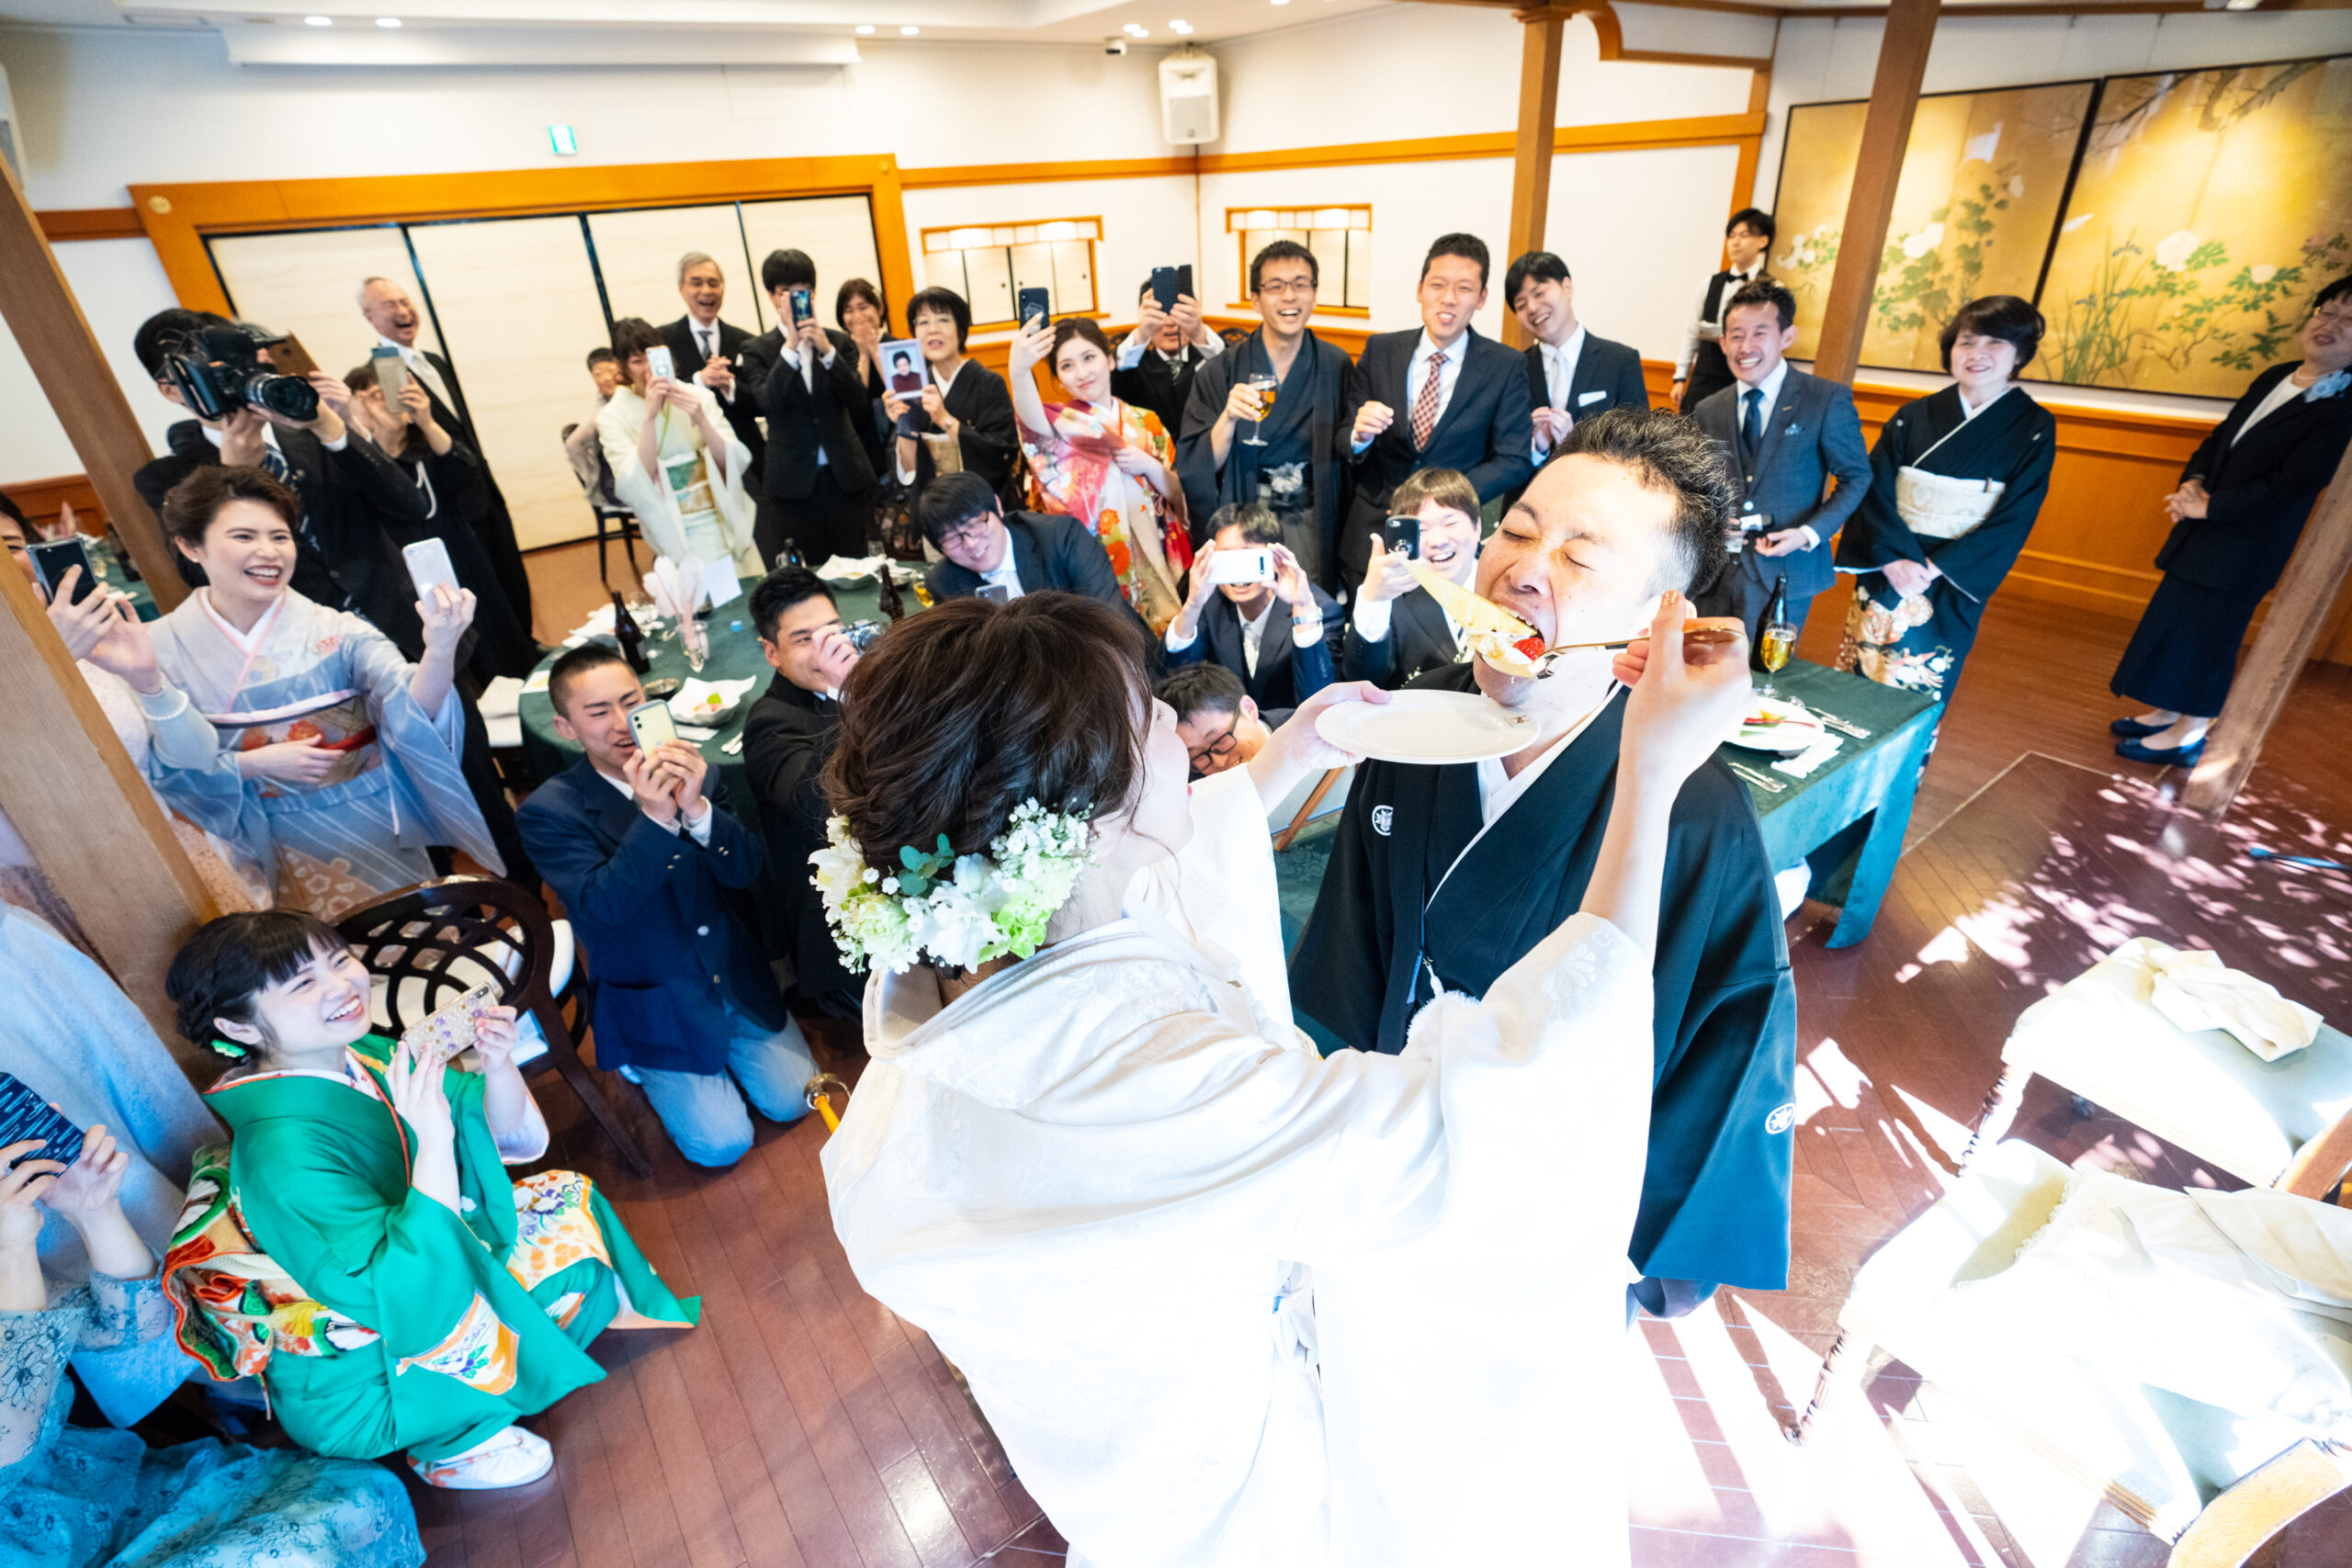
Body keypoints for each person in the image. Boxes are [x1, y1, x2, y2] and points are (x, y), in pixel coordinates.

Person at [818, 580, 1749, 1568]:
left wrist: (1294, 755)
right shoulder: (1146, 1077)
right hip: (1225, 1479)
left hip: (1095, 1456)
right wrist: (1651, 772)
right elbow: (1482, 1126)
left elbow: (1143, 886)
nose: (1179, 726)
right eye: (1150, 718)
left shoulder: (971, 964)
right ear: (1078, 827)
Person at [1291, 409, 1797, 1325]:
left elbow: (1713, 1052)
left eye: (1579, 556)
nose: (1523, 568)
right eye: (1518, 531)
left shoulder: (1691, 809)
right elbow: (1355, 949)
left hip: (1544, 1222)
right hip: (1391, 1161)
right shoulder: (1416, 721)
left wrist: (1618, 1256)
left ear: (1657, 618)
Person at [161, 909, 698, 1489]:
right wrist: (434, 1141)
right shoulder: (280, 1152)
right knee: (557, 1296)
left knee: (571, 1206)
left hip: (425, 1266)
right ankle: (453, 1443)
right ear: (240, 1028)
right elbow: (404, 1292)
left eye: (339, 961)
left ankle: (502, 1377)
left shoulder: (360, 1052)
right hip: (368, 1372)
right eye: (303, 984)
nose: (342, 985)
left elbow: (486, 1128)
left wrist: (498, 1065)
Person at [1, 1118, 427, 1568]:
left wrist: (94, 1211)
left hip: (109, 1499)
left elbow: (127, 1329)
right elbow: (12, 1442)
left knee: (361, 1497)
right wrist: (13, 1249)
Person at [146, 466, 502, 919]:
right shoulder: (159, 648)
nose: (268, 552)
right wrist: (251, 764)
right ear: (190, 546)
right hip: (253, 833)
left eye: (280, 536)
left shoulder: (339, 630)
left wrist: (441, 647)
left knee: (406, 939)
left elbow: (411, 710)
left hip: (368, 818)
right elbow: (165, 772)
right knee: (299, 951)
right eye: (244, 536)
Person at [516, 646, 819, 1167]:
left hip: (731, 975)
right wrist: (655, 819)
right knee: (722, 1145)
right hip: (656, 995)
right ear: (565, 728)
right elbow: (601, 907)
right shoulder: (550, 811)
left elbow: (746, 872)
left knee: (797, 1099)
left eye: (631, 702)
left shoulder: (697, 770)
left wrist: (697, 809)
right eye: (598, 711)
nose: (622, 723)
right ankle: (644, 1062)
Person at [2110, 276, 2352, 767]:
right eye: (2327, 311)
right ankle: (2168, 710)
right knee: (2177, 620)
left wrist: (2212, 507)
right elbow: (2220, 438)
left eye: (2350, 321)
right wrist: (2193, 483)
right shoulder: (2276, 375)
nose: (2332, 324)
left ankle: (2191, 731)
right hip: (2202, 526)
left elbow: (2298, 480)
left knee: (2211, 635)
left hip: (2249, 540)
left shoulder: (2344, 404)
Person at [4, 500, 266, 912]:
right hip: (40, 891)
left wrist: (149, 683)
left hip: (161, 853)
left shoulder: (92, 640)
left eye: (10, 545)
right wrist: (50, 661)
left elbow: (196, 758)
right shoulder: (60, 649)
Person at [132, 308, 429, 659]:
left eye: (233, 363)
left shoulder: (308, 428)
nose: (227, 379)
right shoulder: (168, 479)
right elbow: (199, 576)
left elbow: (410, 508)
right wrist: (231, 477)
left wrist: (333, 429)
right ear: (170, 390)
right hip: (306, 657)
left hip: (409, 631)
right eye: (206, 372)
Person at [1835, 296, 2058, 705]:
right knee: (1862, 664)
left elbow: (2017, 515)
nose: (1977, 354)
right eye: (1966, 342)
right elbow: (1876, 488)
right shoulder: (1913, 415)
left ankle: (1910, 748)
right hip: (1892, 558)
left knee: (1925, 677)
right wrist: (1893, 559)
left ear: (2020, 354)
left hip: (1954, 572)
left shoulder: (2034, 427)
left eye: (1995, 343)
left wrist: (1936, 568)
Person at [1340, 232, 1534, 593]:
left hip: (1449, 545)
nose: (1449, 298)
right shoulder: (1381, 349)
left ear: (1481, 297)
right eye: (1438, 285)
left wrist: (1446, 498)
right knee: (1367, 622)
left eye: (1464, 288)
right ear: (1420, 290)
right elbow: (1344, 435)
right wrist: (1359, 435)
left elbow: (1515, 459)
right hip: (1374, 532)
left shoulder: (1505, 366)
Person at [1690, 278, 1870, 642]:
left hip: (1786, 570)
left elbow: (1857, 477)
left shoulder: (1825, 399)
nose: (1746, 347)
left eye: (1760, 333)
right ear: (1723, 343)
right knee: (1701, 663)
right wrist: (1710, 522)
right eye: (1736, 335)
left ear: (1787, 336)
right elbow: (1693, 483)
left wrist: (1808, 534)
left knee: (1766, 670)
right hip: (1713, 574)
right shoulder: (1708, 408)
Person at [337, 364, 539, 682]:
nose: (389, 403)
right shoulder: (359, 470)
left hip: (461, 560)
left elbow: (466, 475)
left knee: (496, 645)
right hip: (407, 579)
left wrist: (427, 421)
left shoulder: (427, 451)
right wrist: (358, 431)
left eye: (394, 393)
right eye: (376, 395)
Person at [358, 276, 533, 633]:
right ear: (369, 316)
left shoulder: (434, 361)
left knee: (510, 572)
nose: (403, 311)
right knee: (483, 592)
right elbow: (403, 443)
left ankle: (527, 644)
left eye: (405, 302)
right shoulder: (381, 372)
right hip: (449, 499)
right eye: (390, 305)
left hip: (480, 484)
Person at [1177, 239, 1352, 585]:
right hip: (1245, 518)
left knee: (1305, 599)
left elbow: (1351, 450)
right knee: (1248, 601)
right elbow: (1197, 465)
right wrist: (1228, 418)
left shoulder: (1336, 365)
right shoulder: (1220, 371)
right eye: (1275, 286)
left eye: (1300, 285)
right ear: (1256, 299)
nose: (1289, 296)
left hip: (1311, 518)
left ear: (1314, 294)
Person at [1007, 315, 1194, 631]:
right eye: (1067, 366)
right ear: (1058, 379)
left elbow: (1179, 495)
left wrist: (1149, 466)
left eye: (1089, 357)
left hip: (1156, 554)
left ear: (1110, 360)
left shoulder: (1147, 422)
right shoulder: (1059, 429)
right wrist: (1020, 371)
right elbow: (1030, 424)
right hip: (1096, 564)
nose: (1081, 372)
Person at [741, 567, 865, 1021]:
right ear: (771, 652)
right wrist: (842, 694)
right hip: (844, 928)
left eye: (833, 630)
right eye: (804, 639)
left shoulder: (866, 684)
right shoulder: (768, 723)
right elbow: (819, 802)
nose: (825, 648)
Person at [738, 248, 878, 566]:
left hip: (846, 477)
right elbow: (768, 402)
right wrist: (791, 346)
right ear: (772, 297)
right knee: (807, 571)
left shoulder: (838, 343)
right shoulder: (757, 349)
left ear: (813, 294)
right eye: (784, 291)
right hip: (792, 484)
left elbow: (858, 401)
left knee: (857, 566)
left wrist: (827, 352)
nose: (793, 298)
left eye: (801, 290)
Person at [596, 316, 763, 579]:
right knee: (697, 594)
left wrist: (702, 421)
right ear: (621, 366)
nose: (648, 369)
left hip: (720, 515)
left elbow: (736, 460)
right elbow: (634, 483)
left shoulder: (698, 396)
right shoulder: (611, 416)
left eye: (652, 357)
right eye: (637, 361)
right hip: (673, 526)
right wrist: (649, 417)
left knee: (745, 589)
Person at [1164, 502, 1337, 711]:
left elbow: (1320, 702)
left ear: (1276, 556)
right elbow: (1176, 680)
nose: (1238, 571)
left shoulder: (1319, 610)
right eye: (1227, 558)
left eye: (1248, 557)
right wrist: (1192, 605)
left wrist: (1302, 607)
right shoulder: (1209, 604)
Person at [918, 470, 1136, 624]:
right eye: (951, 538)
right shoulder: (943, 583)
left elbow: (1107, 620)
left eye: (975, 525)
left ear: (998, 507)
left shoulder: (1062, 538)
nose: (970, 543)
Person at [1505, 250, 1651, 471]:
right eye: (1521, 304)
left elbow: (1640, 448)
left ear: (1567, 287)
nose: (1532, 308)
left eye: (1539, 293)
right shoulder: (1514, 369)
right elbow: (1506, 455)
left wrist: (1574, 444)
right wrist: (1537, 448)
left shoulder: (1620, 361)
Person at [1342, 466, 1485, 689]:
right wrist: (1374, 600)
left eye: (1450, 523)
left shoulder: (1508, 584)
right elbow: (1363, 677)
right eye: (1422, 530)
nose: (1438, 541)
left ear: (1477, 526)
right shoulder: (1393, 598)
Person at [885, 287, 1020, 507]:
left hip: (983, 507)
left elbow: (1002, 455)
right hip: (934, 512)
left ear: (961, 330)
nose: (933, 330)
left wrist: (944, 419)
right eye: (923, 322)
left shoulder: (989, 383)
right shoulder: (912, 389)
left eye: (943, 319)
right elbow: (908, 471)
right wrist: (903, 424)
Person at [659, 250, 763, 467]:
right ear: (681, 288)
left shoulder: (747, 341)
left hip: (746, 455)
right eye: (697, 283)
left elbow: (762, 401)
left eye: (713, 283)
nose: (706, 291)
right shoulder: (662, 341)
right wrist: (700, 380)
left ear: (722, 289)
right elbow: (661, 396)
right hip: (690, 454)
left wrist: (730, 386)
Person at [1673, 207, 1774, 414]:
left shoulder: (1772, 288)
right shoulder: (1708, 284)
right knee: (1690, 429)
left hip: (1746, 377)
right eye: (1732, 236)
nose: (1735, 242)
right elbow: (1691, 332)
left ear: (1763, 241)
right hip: (1705, 376)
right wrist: (1680, 377)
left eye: (1744, 235)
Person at [1111, 275, 1224, 436]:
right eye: (1160, 314)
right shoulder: (1133, 366)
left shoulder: (1210, 357)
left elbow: (1227, 368)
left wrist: (1199, 330)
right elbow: (1117, 379)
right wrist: (1141, 334)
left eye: (1179, 313)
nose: (1170, 323)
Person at [1159, 661, 1283, 780]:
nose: (1220, 763)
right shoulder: (1195, 786)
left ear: (1249, 709)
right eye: (1198, 756)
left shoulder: (1295, 732)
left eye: (1220, 742)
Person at [563, 346, 625, 491]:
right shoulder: (600, 410)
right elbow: (573, 445)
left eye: (610, 370)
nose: (606, 378)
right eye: (598, 374)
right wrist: (592, 481)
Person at [836, 277, 892, 404]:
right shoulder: (841, 353)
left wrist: (875, 351)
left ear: (880, 308)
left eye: (863, 307)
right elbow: (854, 403)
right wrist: (863, 355)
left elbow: (904, 392)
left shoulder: (897, 345)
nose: (858, 316)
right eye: (849, 311)